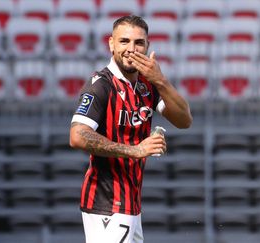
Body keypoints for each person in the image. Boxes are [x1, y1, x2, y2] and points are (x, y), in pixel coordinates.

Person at [69, 15, 192, 243]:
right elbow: (77, 136)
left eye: (139, 43)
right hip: (107, 204)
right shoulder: (101, 85)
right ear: (111, 44)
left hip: (131, 203)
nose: (131, 49)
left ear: (148, 46)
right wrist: (134, 150)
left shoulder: (147, 85)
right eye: (124, 41)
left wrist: (161, 81)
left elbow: (185, 120)